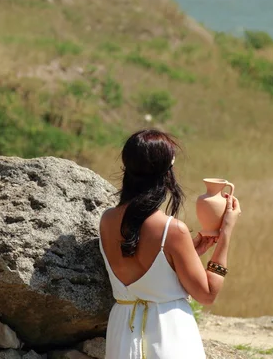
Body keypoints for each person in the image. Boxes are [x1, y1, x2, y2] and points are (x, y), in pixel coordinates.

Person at [99, 129, 241, 359]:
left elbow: (142, 275)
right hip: (168, 333)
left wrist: (189, 253)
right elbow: (207, 295)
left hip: (123, 334)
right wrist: (225, 234)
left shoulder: (106, 220)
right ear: (167, 173)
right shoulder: (172, 230)